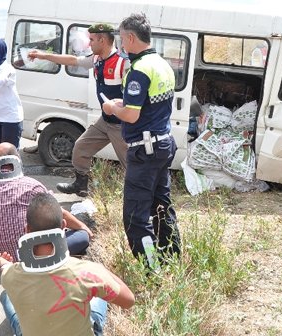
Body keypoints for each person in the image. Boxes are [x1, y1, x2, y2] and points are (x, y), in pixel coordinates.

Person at [0, 192, 135, 336]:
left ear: (26, 230)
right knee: (96, 298)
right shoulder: (88, 272)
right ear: (63, 226)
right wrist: (102, 270)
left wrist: (4, 263)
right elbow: (129, 301)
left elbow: (5, 269)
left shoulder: (11, 275)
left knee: (6, 296)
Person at [102, 13, 181, 269]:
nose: (121, 46)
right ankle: (171, 259)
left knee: (136, 216)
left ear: (131, 37)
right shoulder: (162, 64)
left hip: (145, 150)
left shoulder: (138, 70)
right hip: (163, 144)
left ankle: (151, 269)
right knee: (162, 207)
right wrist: (123, 104)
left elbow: (133, 116)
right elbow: (148, 106)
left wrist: (113, 108)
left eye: (122, 40)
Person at [28, 23, 129, 197]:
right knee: (81, 148)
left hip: (122, 125)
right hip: (105, 121)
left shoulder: (123, 62)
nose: (89, 44)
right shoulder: (97, 59)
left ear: (102, 40)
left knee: (131, 165)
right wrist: (43, 56)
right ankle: (81, 186)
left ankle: (141, 201)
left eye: (91, 40)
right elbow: (72, 60)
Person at [0, 142, 93, 268]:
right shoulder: (31, 186)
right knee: (82, 236)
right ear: (18, 160)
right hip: (27, 259)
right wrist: (83, 227)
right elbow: (58, 212)